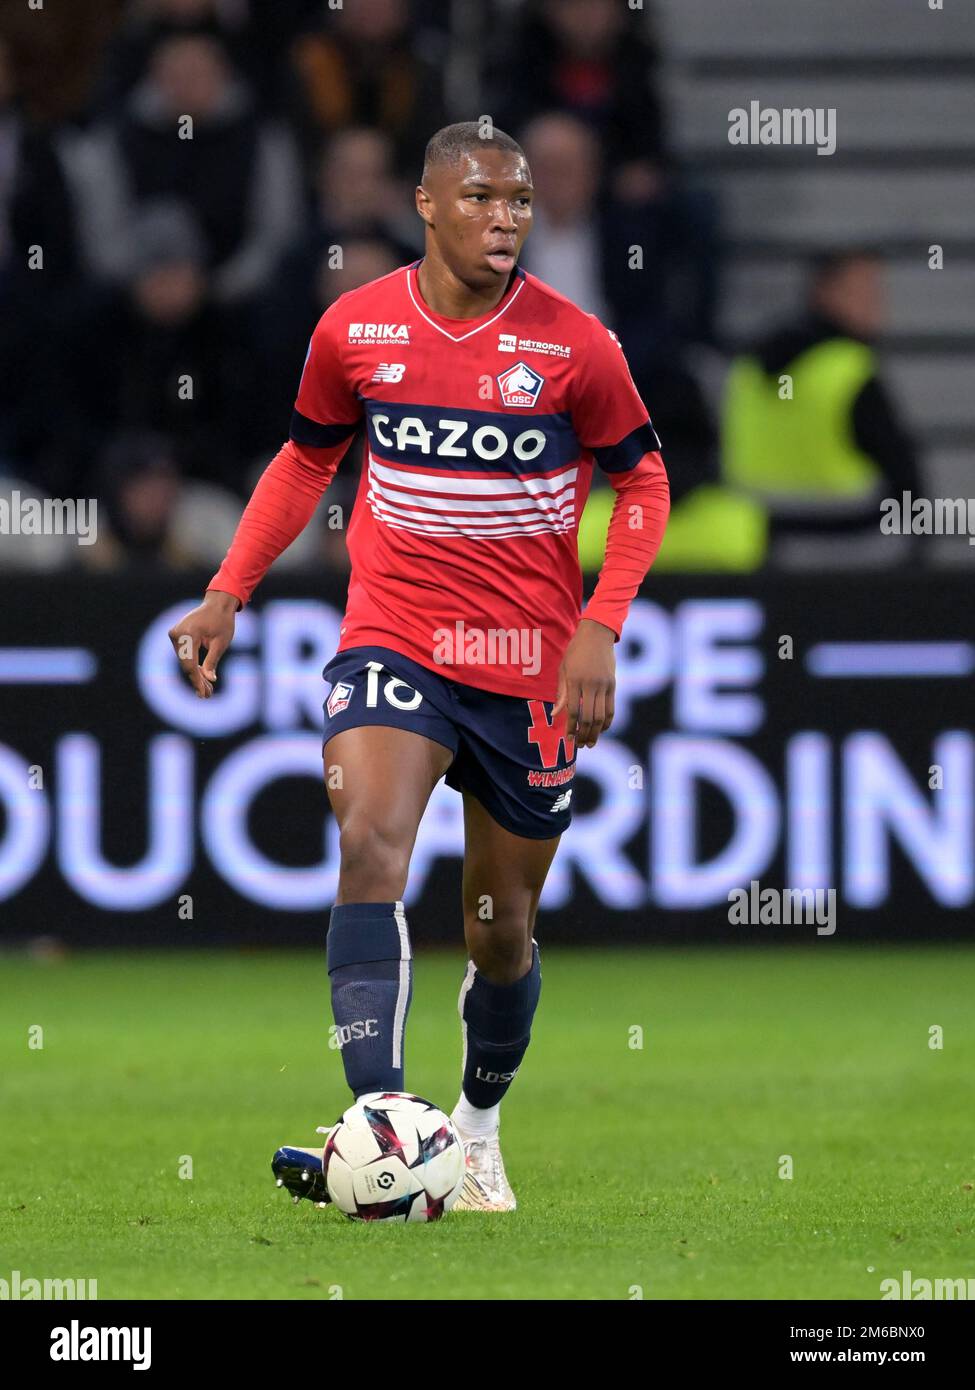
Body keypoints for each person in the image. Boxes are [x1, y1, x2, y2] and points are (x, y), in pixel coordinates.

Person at [167, 122, 670, 1213]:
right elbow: (308, 459)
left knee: (500, 934)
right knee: (369, 837)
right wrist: (227, 590)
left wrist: (602, 623)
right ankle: (379, 1122)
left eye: (522, 201)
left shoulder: (578, 347)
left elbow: (645, 487)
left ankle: (477, 1129)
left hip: (529, 665)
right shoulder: (355, 329)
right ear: (427, 205)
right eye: (484, 197)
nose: (506, 218)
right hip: (395, 635)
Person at [722, 248, 921, 562]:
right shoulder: (850, 369)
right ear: (824, 292)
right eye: (863, 291)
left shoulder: (747, 366)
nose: (877, 305)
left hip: (761, 546)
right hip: (851, 545)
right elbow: (903, 473)